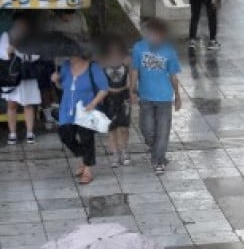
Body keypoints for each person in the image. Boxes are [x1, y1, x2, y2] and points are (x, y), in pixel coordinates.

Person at [130, 18, 182, 174]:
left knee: (163, 131)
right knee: (146, 129)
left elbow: (173, 76)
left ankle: (158, 160)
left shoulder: (169, 51)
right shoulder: (139, 48)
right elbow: (134, 70)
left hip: (165, 97)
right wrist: (131, 90)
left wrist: (178, 96)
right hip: (145, 96)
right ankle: (157, 152)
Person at [52, 46, 107, 184]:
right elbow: (62, 86)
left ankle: (87, 169)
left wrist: (93, 103)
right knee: (65, 136)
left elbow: (104, 89)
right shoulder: (65, 67)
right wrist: (56, 80)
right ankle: (85, 156)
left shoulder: (93, 67)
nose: (68, 56)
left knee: (86, 138)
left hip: (86, 110)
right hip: (67, 109)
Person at [1, 14, 42, 145]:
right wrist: (10, 52)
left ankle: (30, 132)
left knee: (28, 105)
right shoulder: (7, 36)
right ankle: (12, 133)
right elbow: (2, 54)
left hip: (27, 74)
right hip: (12, 74)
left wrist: (25, 54)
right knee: (11, 105)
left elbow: (37, 54)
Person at [99, 37, 132, 166]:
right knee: (111, 127)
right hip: (108, 100)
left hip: (123, 99)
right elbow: (101, 84)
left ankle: (124, 150)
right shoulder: (102, 64)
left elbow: (130, 82)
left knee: (124, 126)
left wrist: (125, 89)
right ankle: (115, 153)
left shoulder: (127, 62)